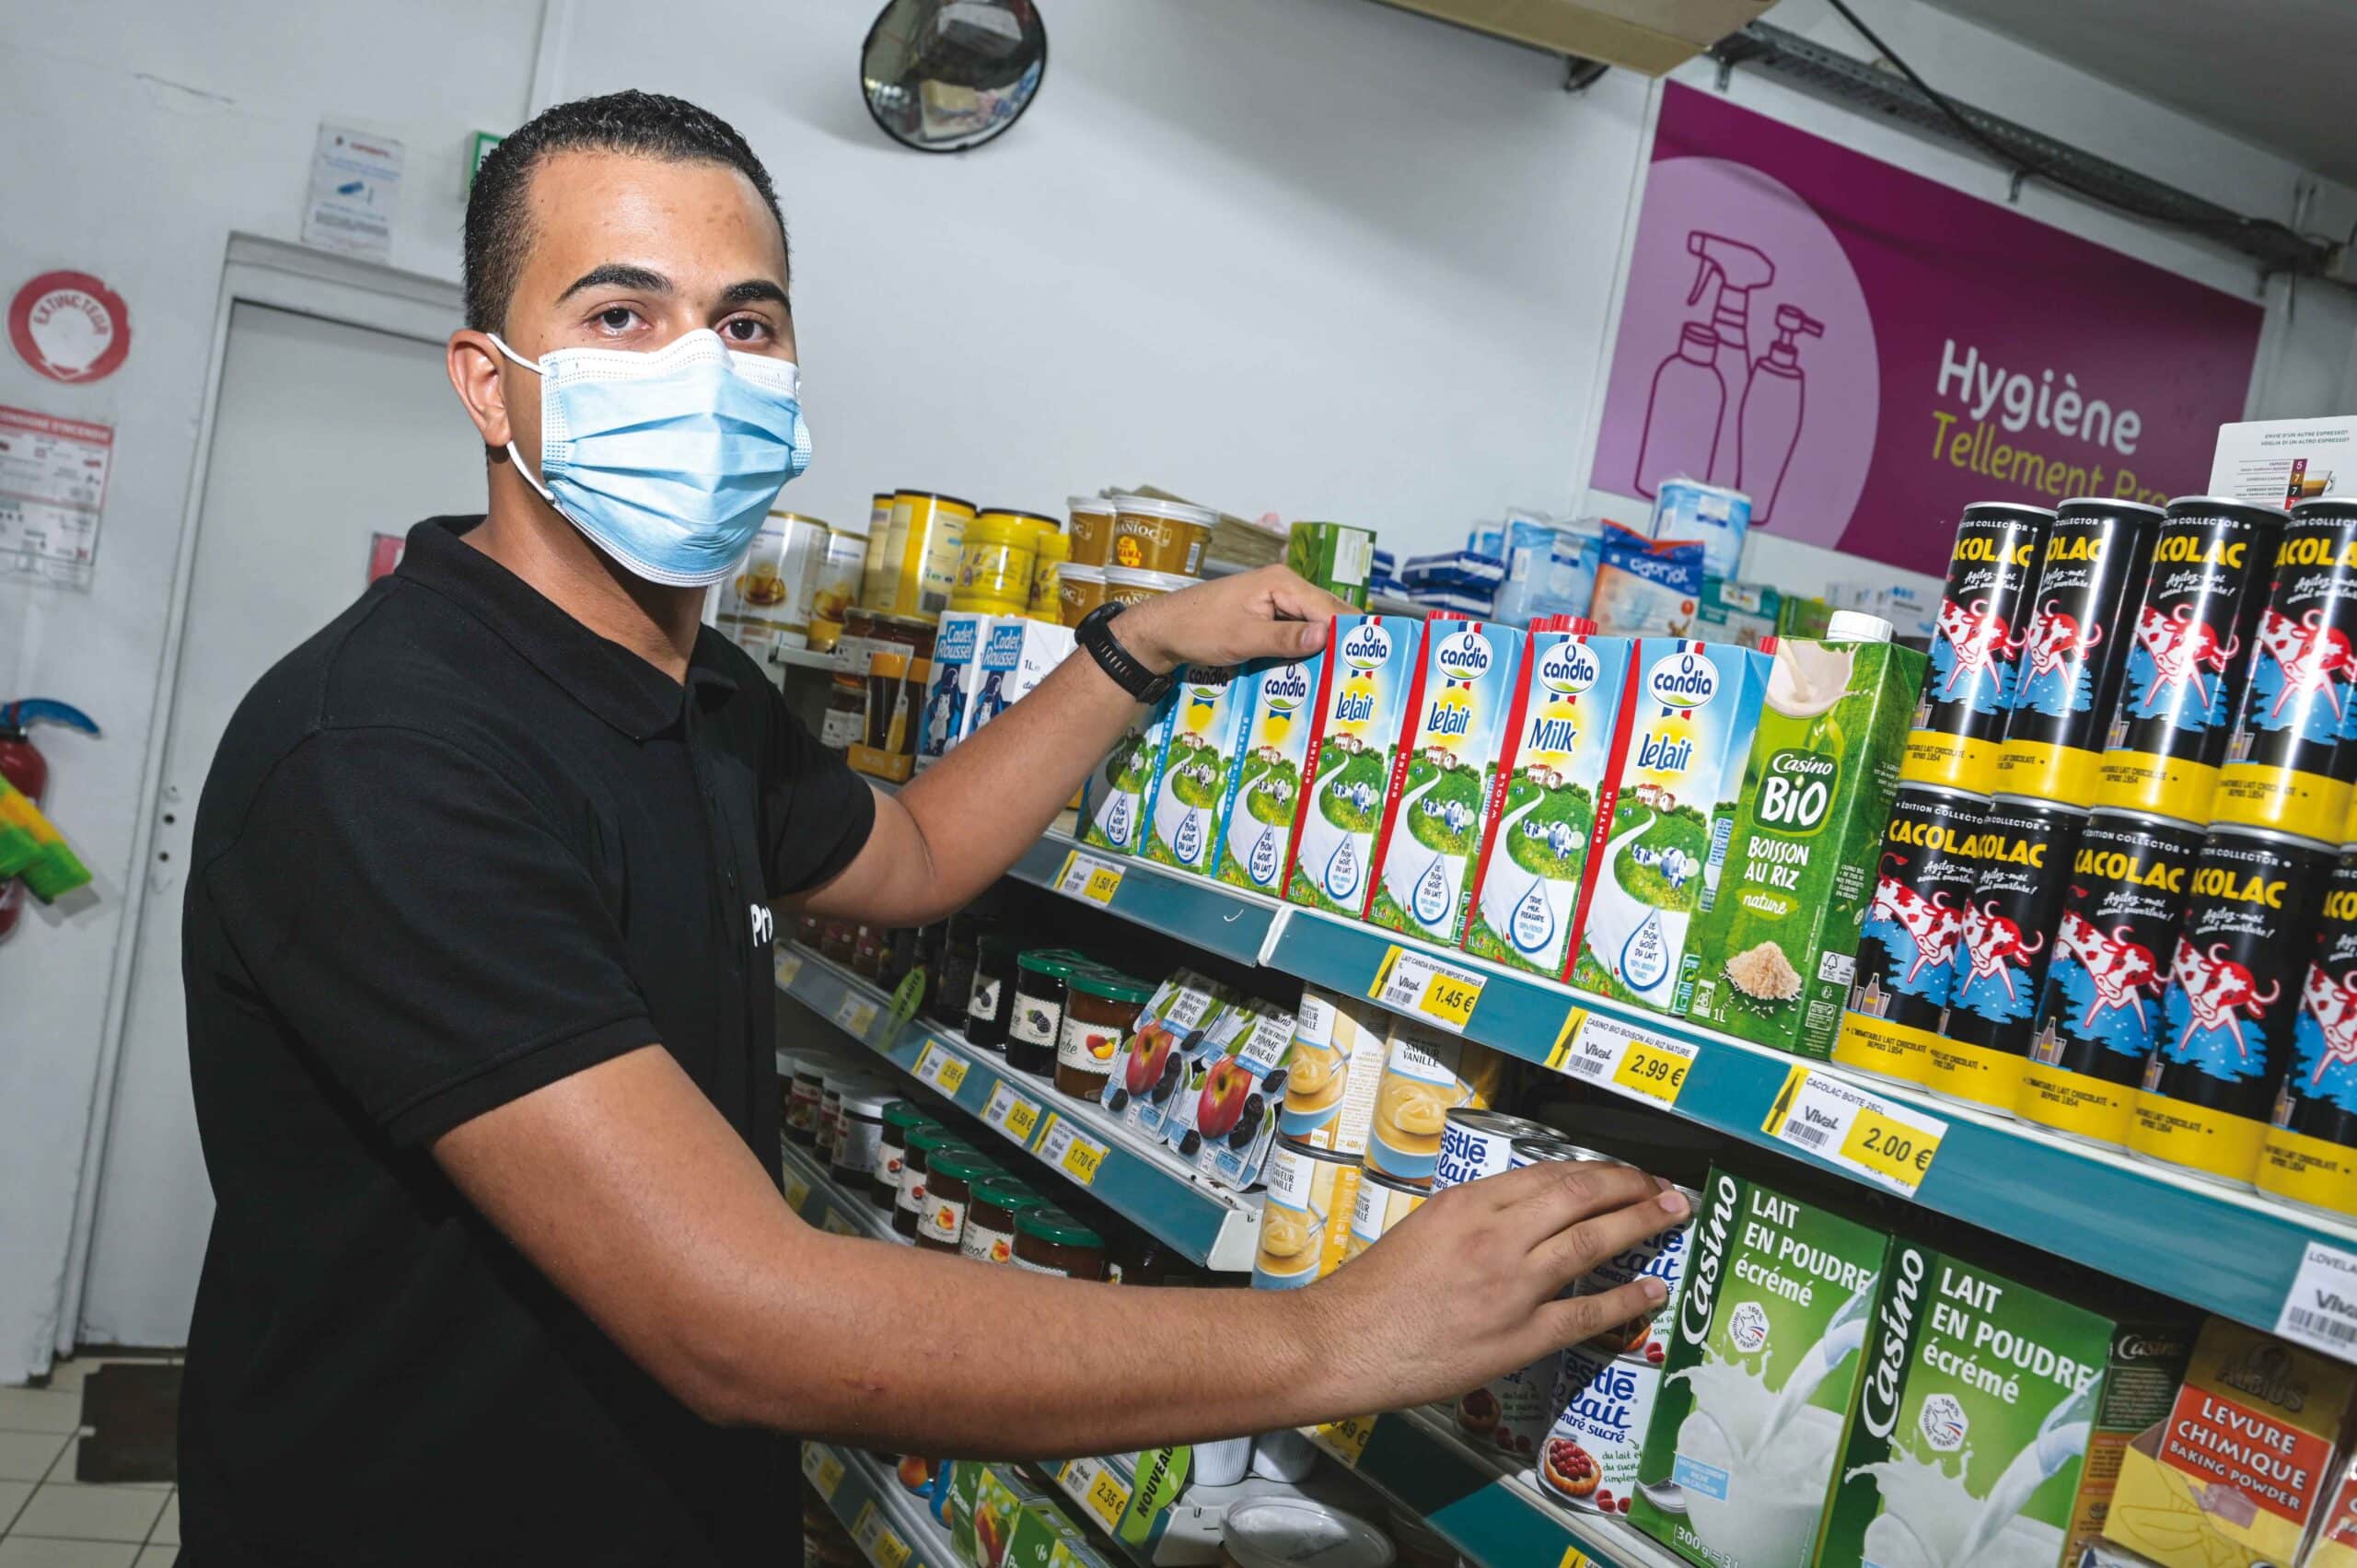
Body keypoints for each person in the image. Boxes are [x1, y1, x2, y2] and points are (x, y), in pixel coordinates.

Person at [177, 90, 1688, 1565]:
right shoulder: (387, 753)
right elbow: (738, 1319)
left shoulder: (699, 692)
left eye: (746, 324)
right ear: (486, 381)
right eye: (623, 315)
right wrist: (1335, 1338)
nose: (701, 369)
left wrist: (1134, 648)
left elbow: (910, 859)